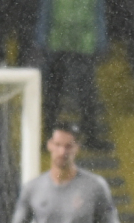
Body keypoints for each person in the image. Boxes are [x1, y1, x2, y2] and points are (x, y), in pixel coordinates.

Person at [35, 0, 111, 150]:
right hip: (67, 43)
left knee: (80, 94)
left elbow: (98, 14)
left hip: (69, 43)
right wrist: (42, 39)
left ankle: (88, 136)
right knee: (58, 94)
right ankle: (84, 136)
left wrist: (101, 41)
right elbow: (46, 11)